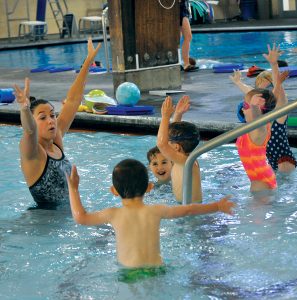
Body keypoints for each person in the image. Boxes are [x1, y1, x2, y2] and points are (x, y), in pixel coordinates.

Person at [66, 159, 235, 269]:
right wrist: (217, 206)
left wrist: (73, 189)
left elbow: (81, 217)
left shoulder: (113, 214)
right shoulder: (156, 210)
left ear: (114, 191)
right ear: (149, 187)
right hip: (158, 270)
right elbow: (189, 209)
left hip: (130, 274)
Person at [14, 38, 101, 208]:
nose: (51, 120)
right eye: (43, 117)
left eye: (52, 115)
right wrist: (24, 109)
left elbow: (73, 100)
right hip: (46, 223)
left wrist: (88, 62)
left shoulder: (56, 142)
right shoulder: (32, 152)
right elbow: (30, 131)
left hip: (71, 214)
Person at [230, 44, 297, 173]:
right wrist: (238, 82)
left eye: (268, 86)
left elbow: (277, 94)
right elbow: (251, 93)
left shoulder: (278, 113)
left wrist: (274, 65)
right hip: (268, 161)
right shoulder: (258, 114)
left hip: (284, 161)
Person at [157, 96, 202, 202]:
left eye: (168, 141)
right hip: (187, 209)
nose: (166, 142)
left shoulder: (186, 162)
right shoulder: (183, 158)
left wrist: (165, 116)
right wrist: (178, 114)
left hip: (191, 214)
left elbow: (161, 144)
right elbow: (170, 137)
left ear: (176, 147)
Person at [236, 88, 277, 193]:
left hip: (261, 184)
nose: (242, 109)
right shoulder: (251, 127)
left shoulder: (259, 130)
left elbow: (258, 122)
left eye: (245, 106)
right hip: (260, 180)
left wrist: (254, 106)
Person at [147, 95, 191, 185]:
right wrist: (178, 114)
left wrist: (168, 116)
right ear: (149, 167)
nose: (160, 167)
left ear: (172, 162)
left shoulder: (178, 170)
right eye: (155, 164)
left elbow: (168, 144)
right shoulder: (150, 186)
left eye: (164, 162)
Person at [180, 0, 198, 72]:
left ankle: (179, 62)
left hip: (182, 8)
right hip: (181, 9)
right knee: (188, 36)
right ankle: (186, 64)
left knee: (178, 38)